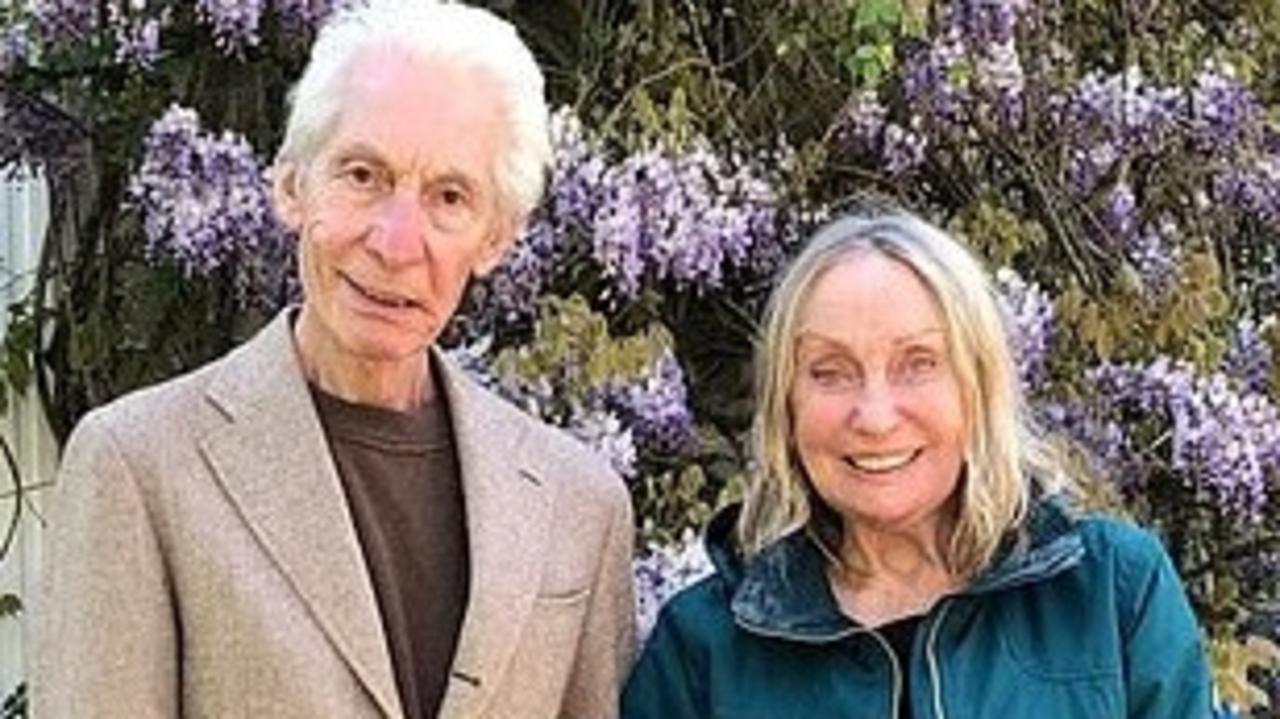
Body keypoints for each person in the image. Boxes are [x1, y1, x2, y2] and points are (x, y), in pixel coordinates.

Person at [35, 1, 635, 717]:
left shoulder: (579, 504)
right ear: (292, 186)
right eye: (363, 175)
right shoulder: (139, 466)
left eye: (449, 197)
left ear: (496, 239)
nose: (395, 242)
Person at [622, 211, 1212, 718]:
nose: (875, 417)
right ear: (786, 407)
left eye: (919, 363)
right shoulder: (704, 646)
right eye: (830, 372)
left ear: (979, 387)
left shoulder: (1111, 591)